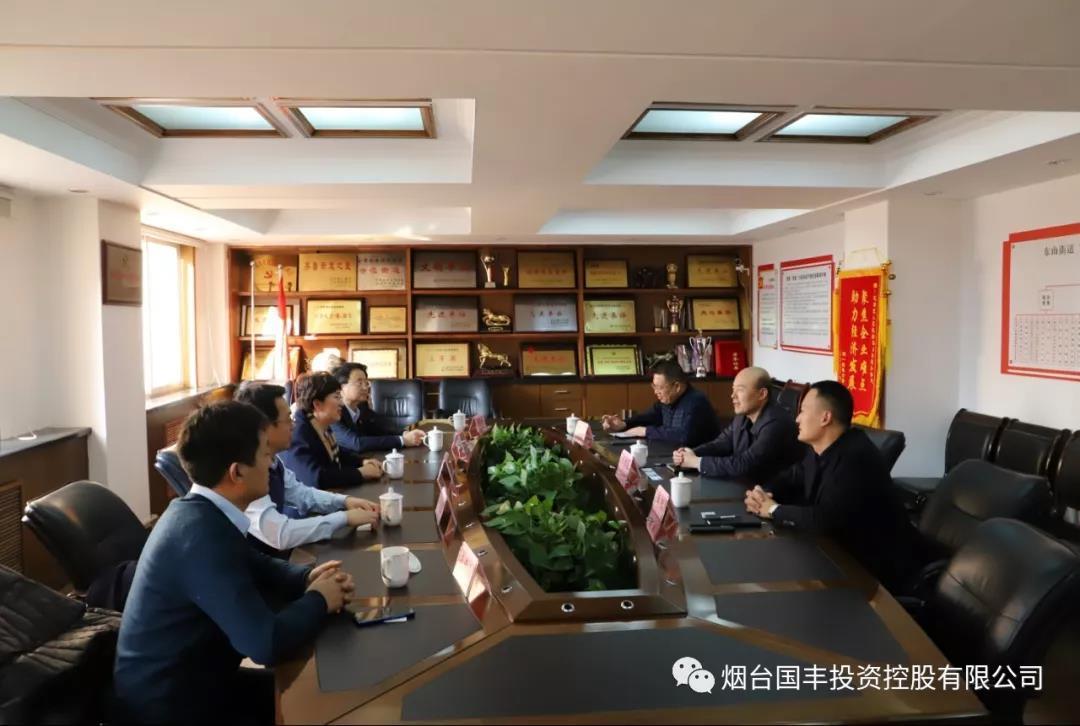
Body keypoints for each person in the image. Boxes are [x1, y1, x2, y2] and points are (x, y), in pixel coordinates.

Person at [114, 401, 355, 725]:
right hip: (173, 706)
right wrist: (320, 599)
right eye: (265, 455)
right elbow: (265, 643)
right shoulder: (199, 536)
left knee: (321, 695)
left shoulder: (198, 511)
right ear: (237, 472)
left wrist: (307, 577)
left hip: (201, 681)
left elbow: (257, 562)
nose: (272, 464)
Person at [743, 380, 917, 591]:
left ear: (825, 418)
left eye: (803, 411)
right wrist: (763, 492)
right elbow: (792, 476)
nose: (797, 418)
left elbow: (824, 519)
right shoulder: (820, 448)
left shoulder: (855, 458)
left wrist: (773, 509)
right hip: (833, 555)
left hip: (873, 574)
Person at [233, 381, 380, 551]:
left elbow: (301, 494)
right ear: (264, 427)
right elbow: (281, 534)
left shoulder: (273, 462)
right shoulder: (245, 473)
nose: (293, 425)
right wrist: (344, 518)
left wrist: (345, 501)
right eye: (288, 419)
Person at [672, 366, 802, 481]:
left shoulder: (776, 423)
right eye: (733, 389)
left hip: (773, 494)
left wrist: (696, 462)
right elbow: (720, 444)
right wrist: (689, 453)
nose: (733, 396)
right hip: (747, 486)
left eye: (740, 390)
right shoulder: (743, 416)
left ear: (762, 394)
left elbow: (745, 464)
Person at [281, 372, 384, 490]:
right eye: (337, 397)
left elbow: (336, 453)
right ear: (317, 404)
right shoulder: (299, 434)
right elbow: (316, 478)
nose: (342, 403)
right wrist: (361, 473)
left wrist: (362, 462)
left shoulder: (318, 424)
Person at [600, 361, 720, 447]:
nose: (655, 392)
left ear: (677, 386)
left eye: (659, 387)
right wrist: (624, 424)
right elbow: (649, 417)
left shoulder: (697, 403)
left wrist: (646, 431)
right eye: (654, 386)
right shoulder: (667, 400)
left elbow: (684, 436)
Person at [331, 362, 425, 455]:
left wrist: (404, 433)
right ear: (341, 387)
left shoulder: (361, 407)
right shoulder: (334, 413)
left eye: (366, 382)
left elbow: (383, 425)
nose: (365, 387)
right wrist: (402, 440)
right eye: (359, 383)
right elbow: (357, 443)